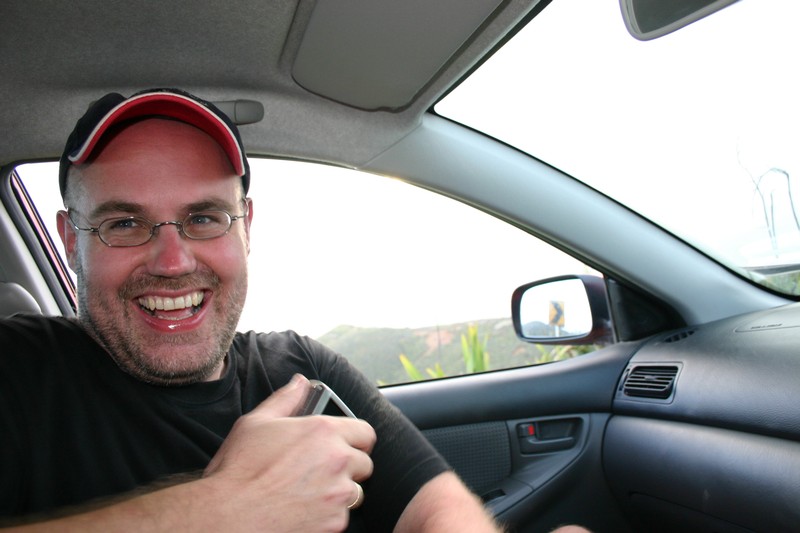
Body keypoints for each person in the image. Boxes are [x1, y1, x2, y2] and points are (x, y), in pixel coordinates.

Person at [0, 88, 505, 532]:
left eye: (204, 218)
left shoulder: (303, 372)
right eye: (125, 224)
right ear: (71, 240)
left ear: (247, 227)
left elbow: (440, 509)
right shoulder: (18, 370)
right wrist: (222, 510)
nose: (173, 263)